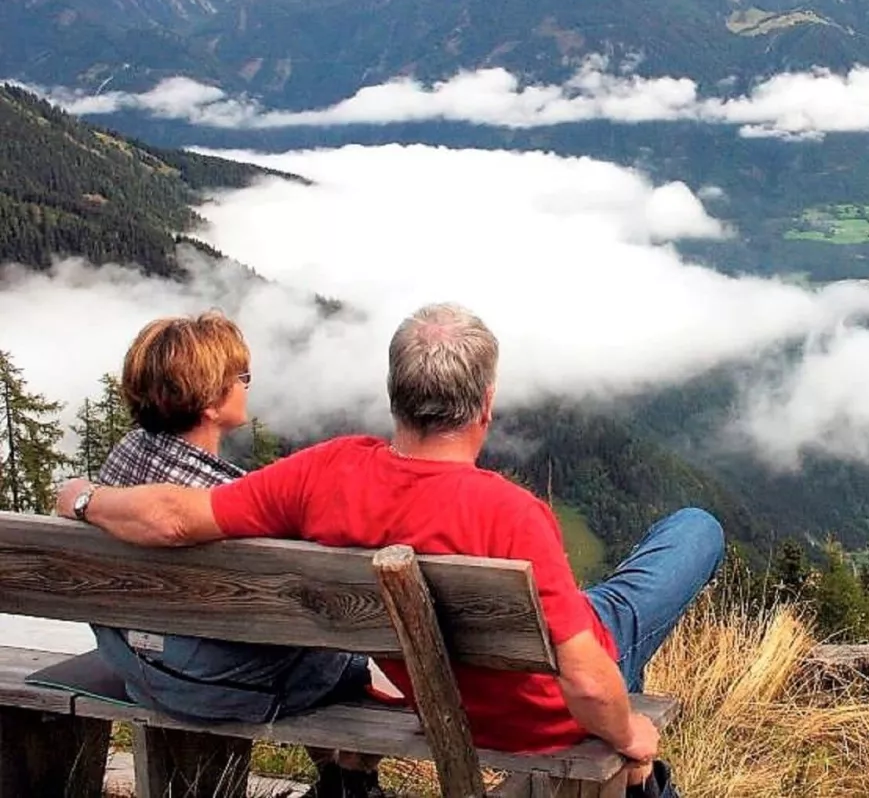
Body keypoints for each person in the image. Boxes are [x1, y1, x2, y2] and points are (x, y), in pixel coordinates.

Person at [57, 303, 724, 792]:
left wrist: (82, 499)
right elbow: (583, 679)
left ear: (395, 395)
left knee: (580, 615)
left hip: (428, 692)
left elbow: (177, 517)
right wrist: (629, 735)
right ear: (485, 405)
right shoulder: (515, 514)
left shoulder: (323, 473)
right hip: (536, 717)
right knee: (692, 532)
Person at [89, 310, 385, 798]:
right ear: (209, 403)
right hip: (224, 686)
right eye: (240, 377)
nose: (247, 385)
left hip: (139, 670)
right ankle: (350, 778)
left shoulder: (123, 458)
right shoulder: (230, 501)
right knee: (361, 657)